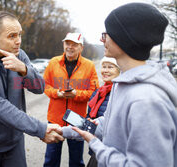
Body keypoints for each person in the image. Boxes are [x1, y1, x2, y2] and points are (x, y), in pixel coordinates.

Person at [70, 3, 177, 167]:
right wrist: (64, 130)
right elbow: (107, 125)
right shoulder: (123, 83)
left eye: (107, 34)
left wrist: (96, 145)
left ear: (124, 39)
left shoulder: (146, 100)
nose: (101, 39)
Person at [0, 11, 63, 167]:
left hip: (14, 143)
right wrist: (40, 129)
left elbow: (39, 88)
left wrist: (24, 69)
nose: (18, 41)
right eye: (12, 36)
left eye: (20, 35)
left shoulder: (19, 55)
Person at [43, 32, 99, 167]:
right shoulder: (53, 62)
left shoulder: (89, 66)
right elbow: (44, 86)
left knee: (76, 160)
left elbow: (94, 92)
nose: (70, 47)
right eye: (68, 43)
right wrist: (57, 93)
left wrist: (76, 94)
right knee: (51, 159)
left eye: (74, 44)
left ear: (81, 48)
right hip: (55, 119)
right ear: (63, 44)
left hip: (77, 121)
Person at [62, 56, 120, 167]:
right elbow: (91, 116)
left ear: (119, 70)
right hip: (95, 145)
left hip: (109, 150)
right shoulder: (98, 92)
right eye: (104, 67)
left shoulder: (119, 93)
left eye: (110, 67)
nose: (105, 70)